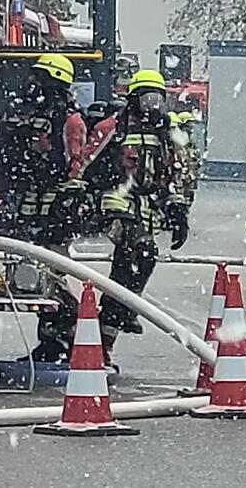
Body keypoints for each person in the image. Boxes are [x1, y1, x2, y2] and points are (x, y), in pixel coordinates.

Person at [87, 70, 192, 365]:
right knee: (141, 251)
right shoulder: (114, 127)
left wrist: (177, 208)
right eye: (147, 98)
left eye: (157, 98)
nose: (152, 105)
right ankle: (123, 309)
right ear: (133, 99)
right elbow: (87, 162)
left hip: (145, 206)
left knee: (131, 265)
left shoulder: (165, 133)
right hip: (116, 202)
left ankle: (111, 324)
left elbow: (174, 172)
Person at [0, 53, 89, 362]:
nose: (34, 85)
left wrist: (63, 202)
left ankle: (74, 340)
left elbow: (73, 165)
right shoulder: (30, 116)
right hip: (31, 210)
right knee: (36, 280)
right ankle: (49, 345)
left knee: (54, 278)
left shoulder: (70, 121)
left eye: (42, 79)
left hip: (55, 214)